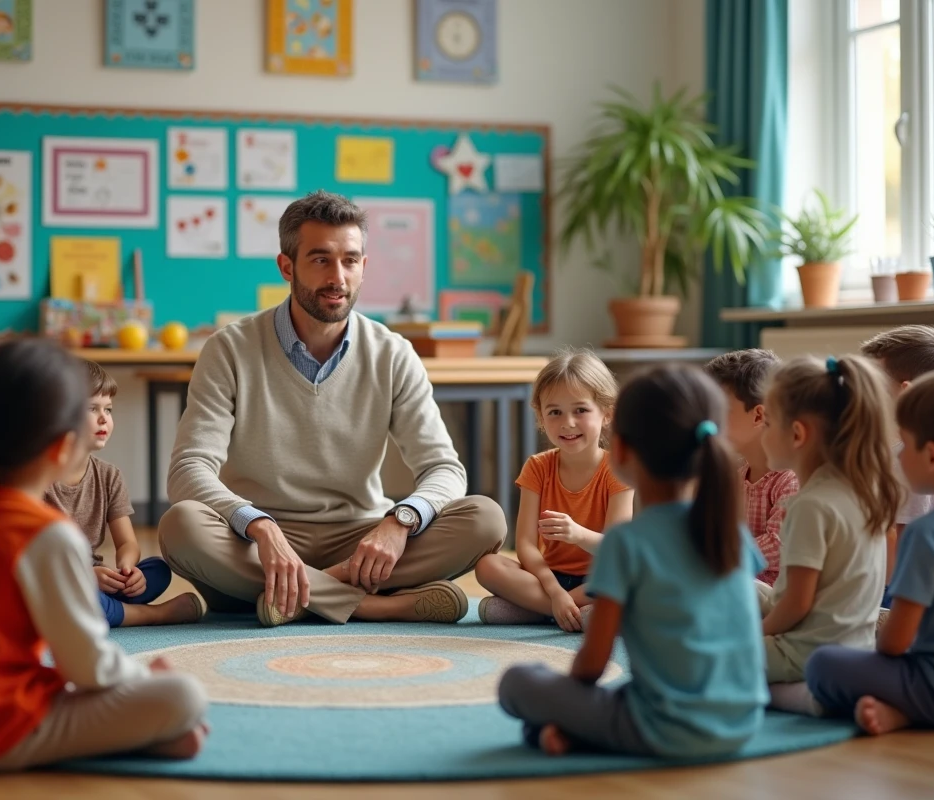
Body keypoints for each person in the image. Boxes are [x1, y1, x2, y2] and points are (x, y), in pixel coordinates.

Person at [160, 191, 506, 626]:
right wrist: (260, 526)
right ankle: (372, 605)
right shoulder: (229, 348)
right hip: (259, 540)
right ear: (287, 266)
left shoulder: (394, 353)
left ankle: (290, 595)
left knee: (485, 519)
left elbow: (444, 468)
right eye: (321, 259)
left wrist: (400, 522)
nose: (337, 277)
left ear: (364, 266)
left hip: (360, 536)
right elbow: (188, 469)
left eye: (350, 260)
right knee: (181, 526)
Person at [0, 338, 208, 772]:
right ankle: (140, 735)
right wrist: (151, 678)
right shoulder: (45, 534)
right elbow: (89, 668)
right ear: (64, 443)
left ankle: (141, 737)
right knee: (185, 695)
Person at [497, 365, 767, 758]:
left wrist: (569, 702)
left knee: (519, 683)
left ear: (620, 449)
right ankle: (575, 730)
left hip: (664, 729)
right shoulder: (730, 533)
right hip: (744, 724)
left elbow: (592, 664)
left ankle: (565, 733)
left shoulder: (627, 543)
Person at [806, 368, 934, 735]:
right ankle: (907, 712)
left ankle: (911, 710)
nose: (898, 456)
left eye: (904, 444)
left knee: (823, 663)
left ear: (932, 456)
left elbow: (896, 642)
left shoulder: (929, 532)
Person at [758, 355, 901, 711]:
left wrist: (754, 635)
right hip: (855, 646)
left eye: (768, 422)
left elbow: (797, 604)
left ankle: (810, 696)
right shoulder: (864, 490)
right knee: (745, 588)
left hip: (806, 653)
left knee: (710, 655)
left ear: (796, 434)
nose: (763, 433)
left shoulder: (809, 506)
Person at [475, 349, 632, 629]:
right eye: (555, 412)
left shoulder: (617, 469)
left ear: (606, 414)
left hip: (600, 576)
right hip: (549, 578)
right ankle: (571, 613)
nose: (567, 423)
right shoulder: (537, 467)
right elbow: (524, 545)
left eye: (580, 410)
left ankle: (534, 611)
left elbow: (615, 547)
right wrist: (555, 592)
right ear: (541, 417)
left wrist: (578, 535)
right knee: (488, 565)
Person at [44, 359, 198, 627]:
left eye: (109, 409)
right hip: (55, 577)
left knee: (158, 570)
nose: (104, 418)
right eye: (92, 408)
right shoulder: (38, 477)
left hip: (98, 582)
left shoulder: (108, 475)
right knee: (63, 592)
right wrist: (85, 575)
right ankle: (151, 615)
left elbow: (127, 543)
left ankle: (108, 608)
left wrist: (127, 570)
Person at [860, 325, 934, 606]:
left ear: (906, 394)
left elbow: (899, 544)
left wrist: (876, 598)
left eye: (872, 383)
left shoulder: (909, 463)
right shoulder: (930, 450)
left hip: (894, 590)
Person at [704, 349, 799, 585]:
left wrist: (718, 557)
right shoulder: (736, 476)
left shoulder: (790, 478)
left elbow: (780, 545)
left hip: (775, 595)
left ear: (759, 416)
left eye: (717, 410)